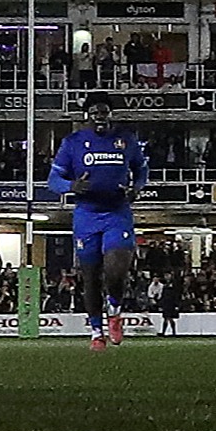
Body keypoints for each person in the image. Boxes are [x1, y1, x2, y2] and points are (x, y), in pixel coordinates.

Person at [50, 100, 149, 345]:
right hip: (87, 215)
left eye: (104, 112)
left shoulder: (126, 139)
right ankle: (96, 332)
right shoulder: (72, 143)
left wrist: (136, 188)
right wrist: (72, 186)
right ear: (87, 115)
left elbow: (142, 169)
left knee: (116, 269)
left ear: (110, 114)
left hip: (117, 212)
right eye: (95, 113)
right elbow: (53, 179)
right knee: (91, 276)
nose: (100, 117)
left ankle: (114, 311)